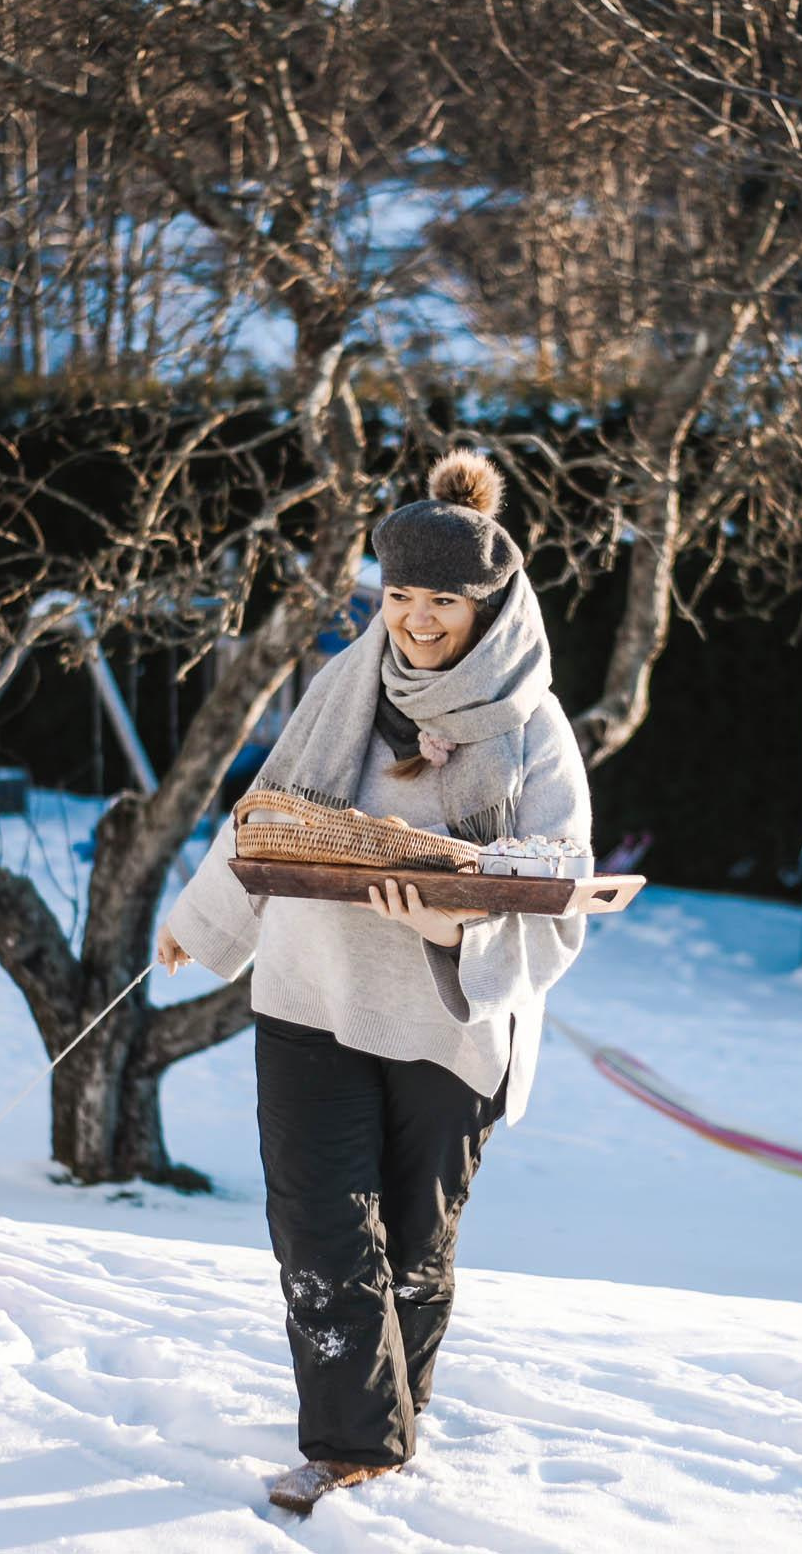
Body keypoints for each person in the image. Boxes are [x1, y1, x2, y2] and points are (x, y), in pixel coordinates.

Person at [158, 450, 592, 1514]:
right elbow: (273, 808)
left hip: (448, 1028)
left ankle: (393, 1413)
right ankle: (351, 1443)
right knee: (320, 1221)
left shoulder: (534, 732)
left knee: (410, 1242)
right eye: (399, 595)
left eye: (443, 600)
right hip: (313, 996)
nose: (416, 620)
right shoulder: (342, 687)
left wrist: (458, 928)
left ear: (490, 603)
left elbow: (565, 895)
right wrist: (202, 920)